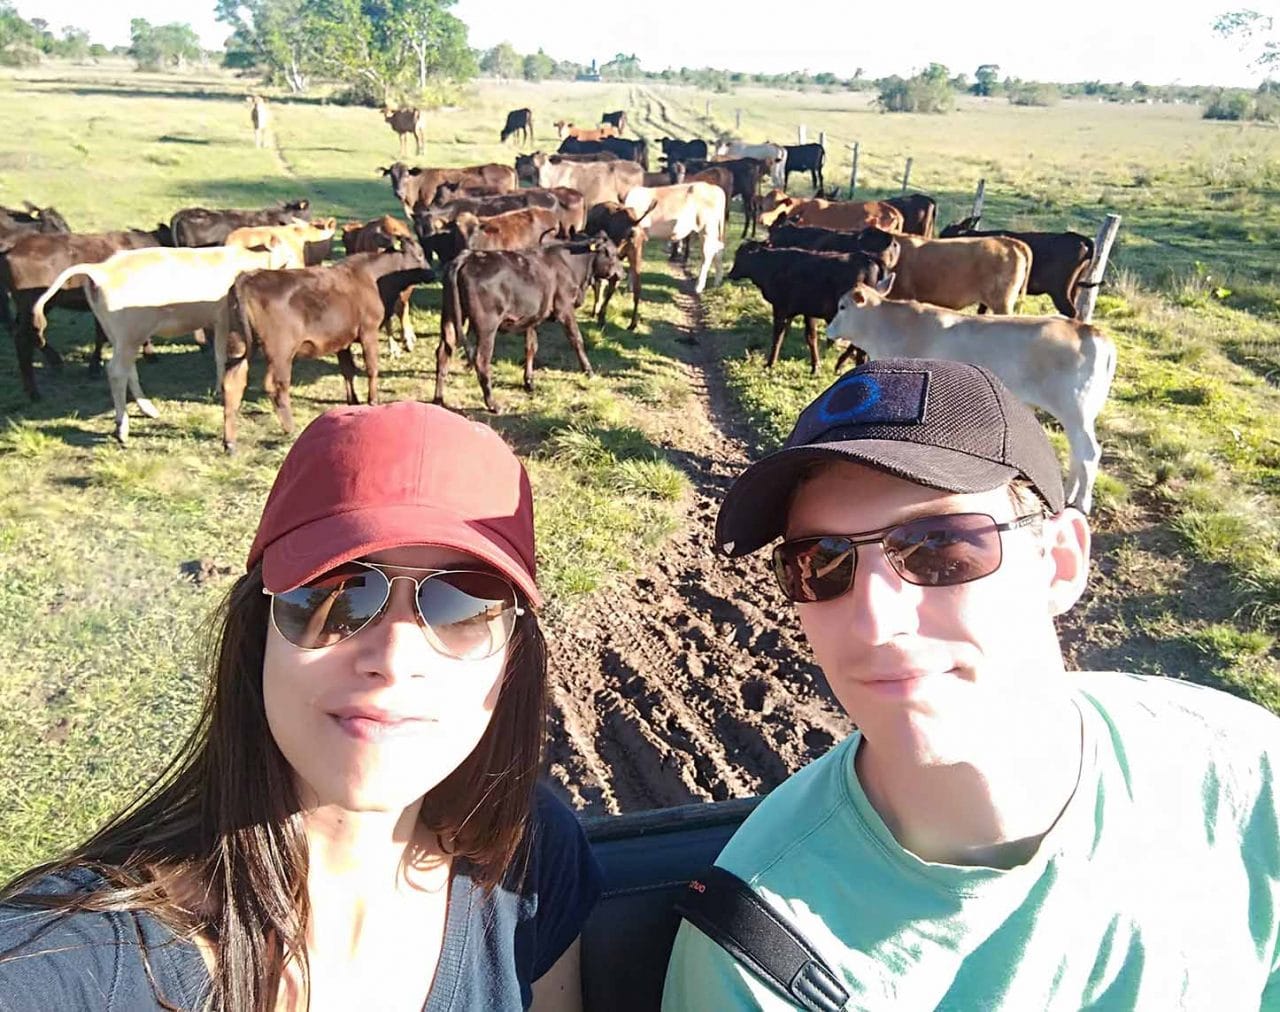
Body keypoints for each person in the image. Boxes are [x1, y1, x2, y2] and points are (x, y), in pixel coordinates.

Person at [663, 358, 1280, 1009]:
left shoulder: (1247, 778)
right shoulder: (761, 956)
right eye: (820, 564)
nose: (875, 621)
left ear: (1060, 562)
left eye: (940, 547)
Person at [0, 401, 600, 1011]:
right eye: (337, 593)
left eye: (464, 605)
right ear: (256, 629)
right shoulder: (72, 966)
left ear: (512, 662)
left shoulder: (531, 858)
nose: (394, 658)